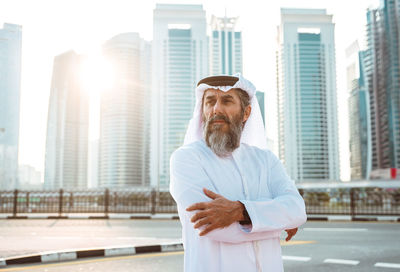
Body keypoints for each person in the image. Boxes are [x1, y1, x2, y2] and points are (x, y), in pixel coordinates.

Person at [169, 74, 307, 272]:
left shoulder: (266, 160)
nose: (216, 109)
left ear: (246, 113)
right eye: (210, 102)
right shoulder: (186, 158)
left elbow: (297, 209)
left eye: (226, 101)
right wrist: (277, 222)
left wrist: (241, 212)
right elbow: (214, 228)